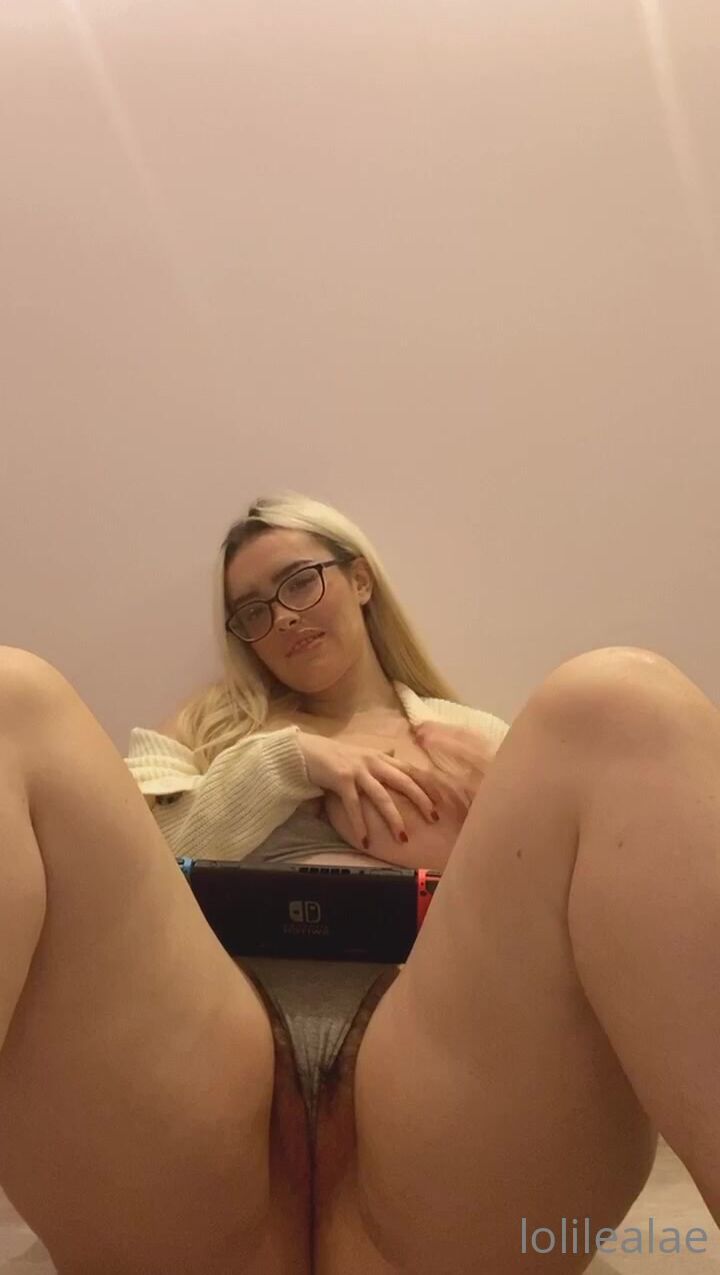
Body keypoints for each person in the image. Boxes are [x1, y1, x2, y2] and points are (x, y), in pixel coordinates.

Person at [0, 493, 718, 1274]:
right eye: (252, 610)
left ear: (361, 579)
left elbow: (558, 910)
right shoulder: (203, 732)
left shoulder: (473, 740)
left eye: (299, 581)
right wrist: (287, 762)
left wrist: (461, 831)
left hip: (435, 1121)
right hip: (196, 1113)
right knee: (12, 698)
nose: (282, 616)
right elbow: (113, 864)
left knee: (623, 702)